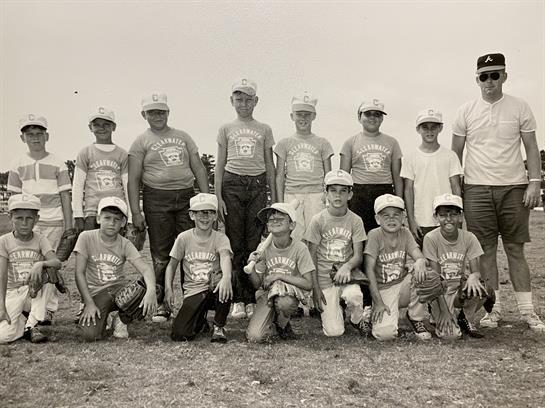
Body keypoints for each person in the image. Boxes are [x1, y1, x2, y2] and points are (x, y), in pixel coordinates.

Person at [452, 53, 545, 332]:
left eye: (495, 75)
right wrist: (458, 191)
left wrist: (534, 182)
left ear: (504, 76)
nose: (489, 81)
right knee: (486, 251)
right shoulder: (466, 110)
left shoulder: (520, 106)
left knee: (515, 249)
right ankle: (494, 310)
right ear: (476, 79)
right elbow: (455, 153)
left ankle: (528, 312)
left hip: (514, 187)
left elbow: (531, 147)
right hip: (477, 189)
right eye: (484, 76)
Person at [128, 93, 209, 323]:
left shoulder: (183, 136)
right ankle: (163, 303)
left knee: (190, 249)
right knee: (161, 253)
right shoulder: (140, 141)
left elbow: (199, 169)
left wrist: (205, 200)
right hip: (156, 197)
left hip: (186, 196)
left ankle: (193, 301)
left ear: (168, 112)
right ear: (144, 114)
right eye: (152, 112)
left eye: (161, 111)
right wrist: (136, 211)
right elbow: (133, 179)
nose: (157, 116)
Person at [215, 79, 277, 320]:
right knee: (235, 242)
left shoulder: (264, 129)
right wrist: (218, 196)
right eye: (239, 99)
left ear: (256, 101)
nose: (244, 103)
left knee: (253, 242)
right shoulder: (225, 128)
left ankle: (251, 297)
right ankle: (237, 300)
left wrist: (274, 198)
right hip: (232, 183)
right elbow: (220, 164)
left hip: (257, 184)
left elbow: (270, 166)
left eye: (248, 99)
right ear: (232, 101)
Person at [8, 114, 73, 325]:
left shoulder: (58, 163)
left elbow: (65, 195)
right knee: (29, 264)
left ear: (47, 136)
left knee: (49, 266)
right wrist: (16, 226)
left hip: (53, 221)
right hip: (28, 222)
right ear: (22, 138)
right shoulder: (17, 164)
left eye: (39, 134)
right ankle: (29, 307)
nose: (35, 138)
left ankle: (48, 310)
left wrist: (69, 225)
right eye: (29, 134)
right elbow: (13, 198)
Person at [74, 197, 157, 341]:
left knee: (152, 288)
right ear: (98, 218)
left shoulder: (125, 243)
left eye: (117, 219)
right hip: (96, 293)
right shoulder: (86, 237)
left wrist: (151, 291)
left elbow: (146, 269)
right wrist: (88, 303)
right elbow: (79, 273)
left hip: (118, 290)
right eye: (107, 218)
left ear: (123, 223)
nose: (111, 223)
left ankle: (121, 319)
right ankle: (103, 316)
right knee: (89, 335)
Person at [305, 170, 367, 337]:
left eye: (343, 191)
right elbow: (311, 257)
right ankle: (332, 309)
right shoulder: (318, 220)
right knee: (334, 332)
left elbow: (358, 255)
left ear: (350, 194)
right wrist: (315, 289)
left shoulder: (355, 220)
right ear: (326, 193)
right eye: (333, 190)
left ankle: (356, 320)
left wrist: (347, 267)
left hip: (346, 276)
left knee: (354, 296)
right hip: (325, 279)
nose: (337, 195)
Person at [164, 193, 233, 343]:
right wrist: (168, 289)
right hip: (193, 291)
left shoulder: (220, 238)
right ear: (191, 215)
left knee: (226, 278)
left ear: (215, 216)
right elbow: (171, 265)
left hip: (213, 288)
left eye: (209, 212)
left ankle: (219, 326)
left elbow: (226, 257)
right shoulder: (184, 238)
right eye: (200, 212)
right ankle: (200, 322)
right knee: (180, 334)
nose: (205, 217)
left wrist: (226, 277)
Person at [422, 194, 490, 339]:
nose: (448, 219)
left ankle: (465, 317)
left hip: (459, 288)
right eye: (443, 215)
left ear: (461, 217)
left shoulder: (469, 237)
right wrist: (444, 311)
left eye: (453, 214)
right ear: (436, 217)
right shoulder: (431, 238)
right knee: (450, 336)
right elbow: (436, 280)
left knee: (481, 286)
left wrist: (474, 276)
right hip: (441, 291)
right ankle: (437, 312)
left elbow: (476, 270)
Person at [363, 194, 431, 341]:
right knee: (385, 335)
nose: (391, 219)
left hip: (402, 286)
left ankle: (416, 317)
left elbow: (419, 256)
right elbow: (369, 271)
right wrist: (379, 302)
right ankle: (374, 314)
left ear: (403, 217)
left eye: (396, 215)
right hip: (383, 289)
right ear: (377, 219)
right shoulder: (374, 235)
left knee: (425, 273)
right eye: (385, 215)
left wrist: (420, 261)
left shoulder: (405, 233)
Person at [245, 203, 314, 342]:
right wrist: (250, 268)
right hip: (267, 295)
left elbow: (308, 283)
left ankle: (282, 324)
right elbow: (257, 283)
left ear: (292, 225)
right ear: (268, 226)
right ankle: (275, 324)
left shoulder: (300, 248)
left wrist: (279, 276)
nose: (274, 221)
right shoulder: (263, 247)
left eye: (280, 218)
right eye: (271, 219)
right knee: (255, 337)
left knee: (285, 303)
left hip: (288, 295)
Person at [0, 194, 61, 343]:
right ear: (10, 217)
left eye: (29, 218)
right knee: (3, 337)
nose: (24, 223)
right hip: (12, 293)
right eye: (19, 218)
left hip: (33, 291)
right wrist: (1, 305)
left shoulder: (40, 239)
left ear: (37, 219)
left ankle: (31, 326)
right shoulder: (4, 241)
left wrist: (40, 264)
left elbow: (57, 262)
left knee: (48, 275)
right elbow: (1, 275)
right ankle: (24, 319)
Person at [274, 92, 333, 242]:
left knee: (316, 235)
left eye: (307, 114)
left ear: (314, 116)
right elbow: (279, 174)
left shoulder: (323, 143)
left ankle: (316, 265)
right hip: (292, 194)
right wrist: (281, 201)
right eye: (299, 114)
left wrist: (327, 196)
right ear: (292, 116)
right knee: (294, 235)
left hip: (316, 194)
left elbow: (329, 175)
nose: (303, 118)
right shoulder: (284, 143)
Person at [401, 108, 462, 246]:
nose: (429, 131)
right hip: (421, 220)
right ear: (418, 129)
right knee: (425, 262)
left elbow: (456, 186)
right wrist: (411, 221)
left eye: (433, 127)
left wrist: (458, 217)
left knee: (447, 260)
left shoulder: (450, 156)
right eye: (425, 127)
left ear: (440, 128)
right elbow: (408, 190)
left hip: (446, 219)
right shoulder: (410, 157)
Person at [340, 99, 402, 234]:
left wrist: (399, 202)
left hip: (384, 190)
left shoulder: (392, 142)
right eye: (368, 114)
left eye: (377, 114)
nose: (373, 118)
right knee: (359, 235)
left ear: (382, 119)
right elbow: (343, 179)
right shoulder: (350, 142)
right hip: (359, 193)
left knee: (385, 234)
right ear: (359, 117)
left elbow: (397, 177)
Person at [73, 107, 130, 232]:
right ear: (90, 127)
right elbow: (77, 186)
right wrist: (78, 215)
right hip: (93, 211)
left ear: (113, 127)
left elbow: (127, 186)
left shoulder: (122, 154)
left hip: (116, 209)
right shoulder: (85, 152)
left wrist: (130, 217)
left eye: (106, 124)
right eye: (96, 125)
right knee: (92, 249)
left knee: (115, 249)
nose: (102, 128)